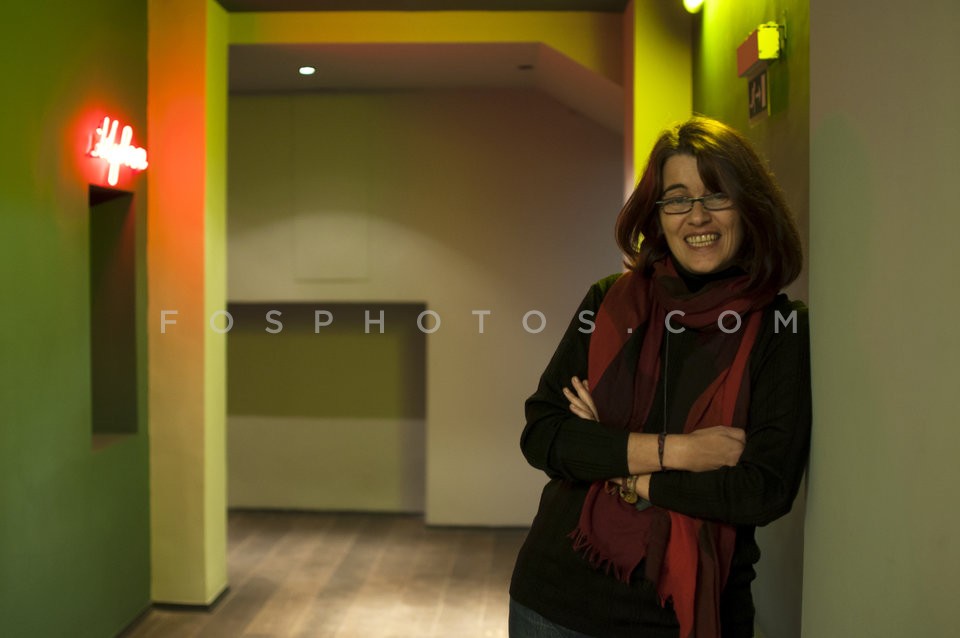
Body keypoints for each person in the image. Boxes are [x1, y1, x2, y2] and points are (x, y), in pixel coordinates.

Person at [509, 116, 811, 638]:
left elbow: (762, 490)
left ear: (750, 206)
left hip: (686, 618)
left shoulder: (779, 328)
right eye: (677, 199)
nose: (697, 215)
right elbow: (544, 435)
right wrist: (684, 452)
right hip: (555, 604)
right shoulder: (610, 301)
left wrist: (617, 465)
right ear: (657, 214)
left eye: (717, 195)